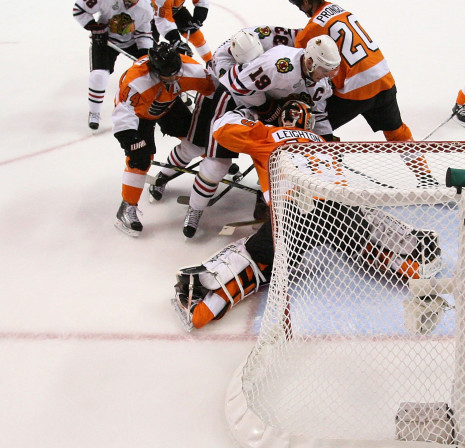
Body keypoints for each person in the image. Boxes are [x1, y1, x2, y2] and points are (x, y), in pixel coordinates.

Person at [171, 102, 444, 331]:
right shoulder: (323, 143)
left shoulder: (267, 133)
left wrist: (245, 114)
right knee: (366, 241)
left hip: (294, 213)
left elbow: (221, 130)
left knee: (258, 260)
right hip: (341, 207)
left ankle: (201, 308)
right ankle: (419, 269)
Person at [168, 35, 340, 238]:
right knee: (217, 165)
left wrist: (326, 140)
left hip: (275, 110)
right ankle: (195, 209)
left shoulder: (320, 83)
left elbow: (318, 115)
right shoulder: (278, 65)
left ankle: (265, 197)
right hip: (236, 101)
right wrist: (265, 108)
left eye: (332, 70)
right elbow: (239, 86)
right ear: (310, 62)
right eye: (325, 69)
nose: (328, 75)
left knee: (280, 156)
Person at [287, 0, 437, 187]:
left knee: (309, 126)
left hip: (355, 88)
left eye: (299, 5)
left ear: (307, 2)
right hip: (382, 77)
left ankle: (325, 173)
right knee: (397, 132)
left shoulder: (309, 33)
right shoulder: (337, 9)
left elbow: (304, 72)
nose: (301, 10)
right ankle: (427, 178)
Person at [112, 41, 216, 237]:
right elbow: (122, 111)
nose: (175, 78)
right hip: (139, 116)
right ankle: (126, 208)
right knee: (140, 159)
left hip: (168, 106)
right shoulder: (136, 81)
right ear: (155, 70)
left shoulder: (189, 68)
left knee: (196, 140)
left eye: (177, 72)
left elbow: (215, 91)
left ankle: (179, 172)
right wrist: (129, 138)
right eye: (169, 75)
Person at [73, 0, 154, 130]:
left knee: (151, 71)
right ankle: (94, 112)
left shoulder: (146, 8)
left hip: (131, 42)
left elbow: (143, 33)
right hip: (104, 40)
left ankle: (155, 106)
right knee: (99, 76)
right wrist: (94, 26)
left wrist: (145, 55)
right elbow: (78, 9)